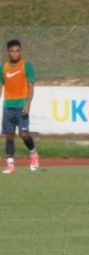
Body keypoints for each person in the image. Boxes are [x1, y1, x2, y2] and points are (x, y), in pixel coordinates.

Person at [1, 39, 39, 174]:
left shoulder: (26, 66)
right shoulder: (3, 68)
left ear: (20, 51)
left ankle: (33, 155)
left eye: (17, 51)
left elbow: (31, 87)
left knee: (24, 134)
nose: (15, 53)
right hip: (7, 107)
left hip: (22, 106)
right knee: (9, 136)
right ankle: (10, 165)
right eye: (12, 51)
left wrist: (28, 104)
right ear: (8, 52)